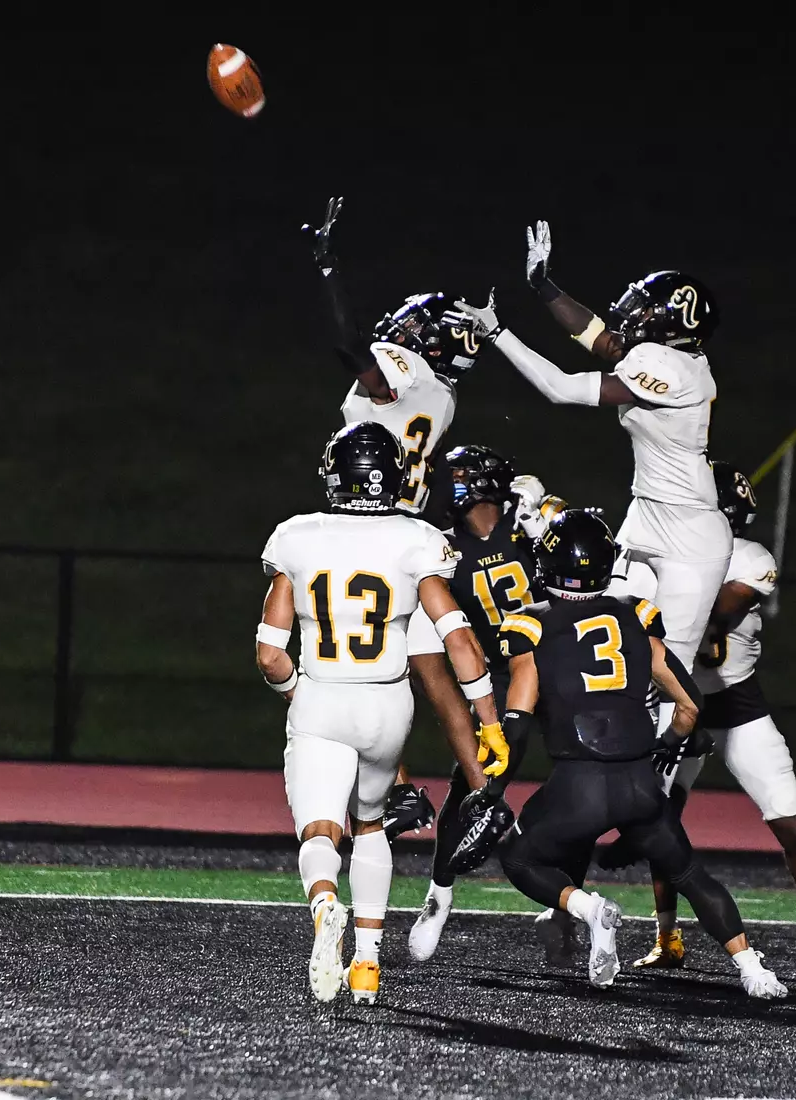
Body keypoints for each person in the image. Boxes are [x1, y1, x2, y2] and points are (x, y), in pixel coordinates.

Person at [448, 508, 787, 999]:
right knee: (689, 873)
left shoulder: (529, 625)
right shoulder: (636, 612)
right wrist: (667, 747)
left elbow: (517, 722)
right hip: (639, 781)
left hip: (578, 784)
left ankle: (587, 910)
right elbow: (690, 704)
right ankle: (753, 969)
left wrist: (494, 787)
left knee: (521, 860)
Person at [256, 421, 505, 1006]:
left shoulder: (297, 535)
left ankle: (324, 905)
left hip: (323, 693)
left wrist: (297, 691)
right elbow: (460, 642)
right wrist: (489, 719)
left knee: (321, 830)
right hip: (387, 702)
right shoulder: (416, 538)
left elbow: (270, 654)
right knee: (371, 825)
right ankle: (366, 964)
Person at [444, 225, 730, 713]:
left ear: (672, 324)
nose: (633, 314)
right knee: (602, 632)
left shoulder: (676, 370)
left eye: (646, 309)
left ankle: (656, 783)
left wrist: (498, 333)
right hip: (647, 513)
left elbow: (561, 387)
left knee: (664, 677)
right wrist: (545, 286)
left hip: (691, 535)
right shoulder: (664, 354)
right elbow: (601, 340)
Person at [611, 462, 796, 974]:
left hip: (737, 706)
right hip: (674, 704)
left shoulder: (749, 559)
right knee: (660, 822)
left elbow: (714, 612)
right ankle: (667, 936)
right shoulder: (659, 559)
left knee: (790, 820)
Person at [301, 195, 498, 842]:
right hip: (413, 533)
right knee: (431, 671)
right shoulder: (443, 394)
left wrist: (328, 270)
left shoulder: (405, 368)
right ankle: (482, 792)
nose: (403, 328)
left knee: (346, 665)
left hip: (367, 530)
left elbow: (348, 346)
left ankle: (402, 785)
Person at [402, 444, 570, 961]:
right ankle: (440, 892)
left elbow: (586, 562)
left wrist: (552, 522)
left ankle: (566, 909)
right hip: (503, 673)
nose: (447, 486)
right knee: (473, 783)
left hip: (560, 662)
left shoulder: (531, 524)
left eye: (458, 477)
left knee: (588, 779)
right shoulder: (443, 546)